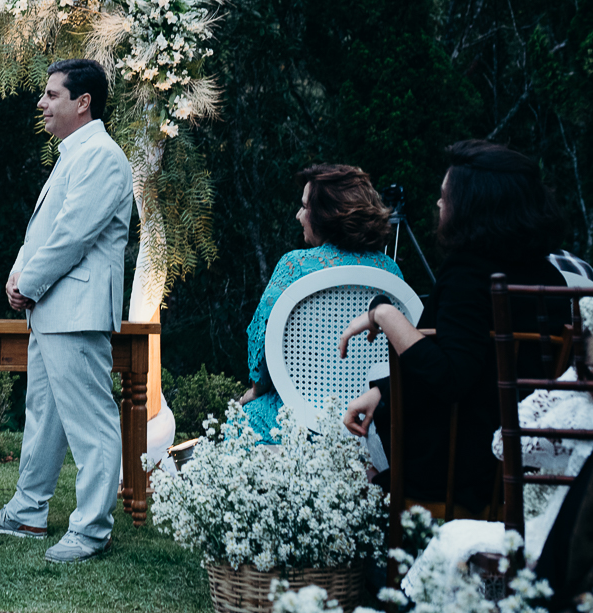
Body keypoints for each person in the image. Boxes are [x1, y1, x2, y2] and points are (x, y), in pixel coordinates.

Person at [340, 140, 567, 512]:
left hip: (460, 476)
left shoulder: (468, 274)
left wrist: (383, 312)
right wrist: (385, 391)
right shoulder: (547, 278)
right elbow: (480, 368)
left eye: (447, 196)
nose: (439, 204)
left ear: (475, 206)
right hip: (522, 468)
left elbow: (452, 377)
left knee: (358, 468)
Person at [0, 58, 133, 564]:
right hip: (50, 306)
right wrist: (17, 274)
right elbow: (45, 229)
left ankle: (91, 530)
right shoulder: (73, 154)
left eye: (51, 95)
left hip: (77, 308)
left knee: (91, 423)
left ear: (82, 102)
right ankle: (28, 511)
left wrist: (30, 282)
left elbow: (74, 234)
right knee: (43, 415)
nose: (41, 104)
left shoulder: (104, 157)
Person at [237, 164, 401, 442]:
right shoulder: (390, 272)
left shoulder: (294, 266)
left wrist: (256, 389)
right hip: (369, 420)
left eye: (304, 207)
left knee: (239, 420)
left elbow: (264, 340)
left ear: (326, 215)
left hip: (297, 418)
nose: (299, 215)